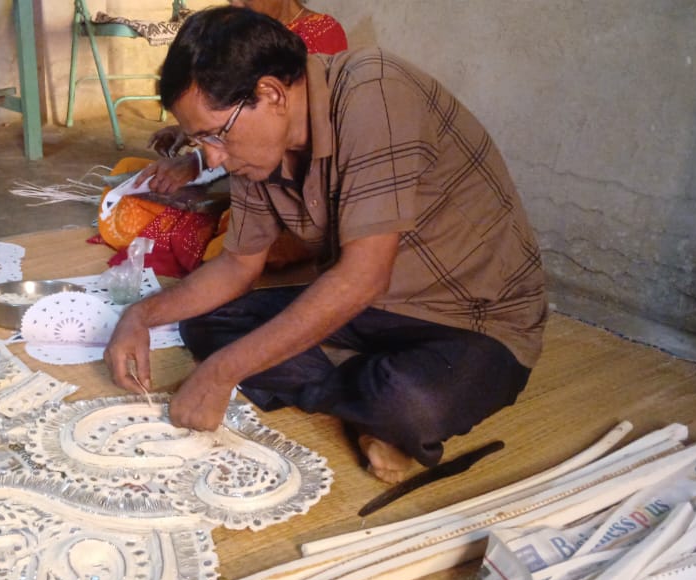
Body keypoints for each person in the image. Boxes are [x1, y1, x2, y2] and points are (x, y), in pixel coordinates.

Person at [103, 7, 547, 483]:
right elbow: (237, 267)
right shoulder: (254, 150)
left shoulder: (375, 92)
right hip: (374, 305)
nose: (212, 157)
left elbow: (362, 276)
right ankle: (365, 397)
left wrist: (220, 374)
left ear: (270, 93)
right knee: (206, 324)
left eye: (215, 134)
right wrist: (141, 316)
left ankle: (375, 402)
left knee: (408, 405)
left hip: (473, 316)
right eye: (199, 139)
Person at [140, 0, 348, 196]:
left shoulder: (319, 33)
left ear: (274, 93)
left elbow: (275, 130)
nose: (237, 6)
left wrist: (197, 162)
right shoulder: (239, 38)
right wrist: (193, 130)